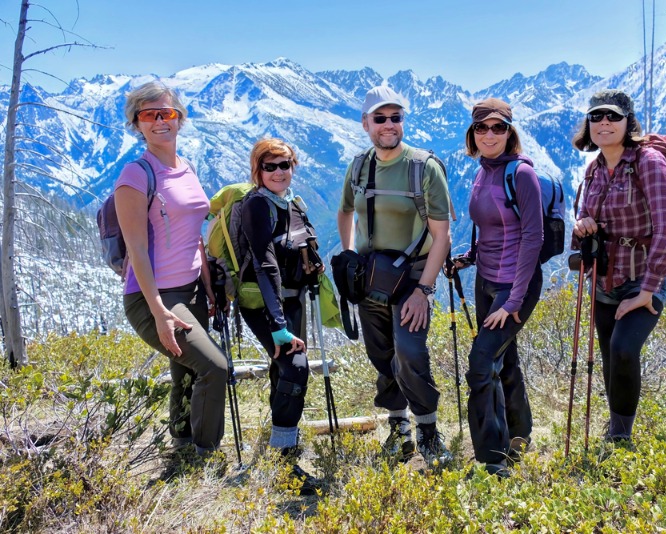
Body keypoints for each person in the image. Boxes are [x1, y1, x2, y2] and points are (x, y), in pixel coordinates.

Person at [337, 85, 453, 467]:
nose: (389, 125)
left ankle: (429, 432)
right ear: (366, 123)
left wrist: (424, 289)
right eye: (380, 118)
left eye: (396, 117)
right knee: (382, 353)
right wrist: (349, 253)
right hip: (371, 275)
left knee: (409, 349)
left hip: (412, 276)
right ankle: (399, 429)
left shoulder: (424, 168)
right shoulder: (358, 166)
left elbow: (442, 236)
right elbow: (345, 212)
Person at [116, 81, 228, 461]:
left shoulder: (187, 167)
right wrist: (160, 312)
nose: (160, 121)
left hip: (192, 288)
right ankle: (205, 456)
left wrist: (208, 285)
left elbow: (191, 232)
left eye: (167, 112)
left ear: (180, 118)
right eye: (149, 115)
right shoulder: (135, 176)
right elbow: (137, 251)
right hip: (153, 297)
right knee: (214, 368)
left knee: (187, 372)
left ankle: (181, 446)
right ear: (137, 124)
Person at [571, 89, 666, 442]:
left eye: (613, 117)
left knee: (623, 349)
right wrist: (583, 223)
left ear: (627, 122)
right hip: (605, 277)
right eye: (597, 117)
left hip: (644, 276)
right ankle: (616, 429)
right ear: (588, 125)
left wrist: (647, 290)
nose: (604, 123)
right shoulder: (594, 170)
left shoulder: (648, 162)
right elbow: (585, 214)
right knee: (608, 355)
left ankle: (621, 437)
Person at [455, 98, 543, 477]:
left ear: (510, 132)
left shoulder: (521, 174)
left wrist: (515, 300)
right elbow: (492, 229)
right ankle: (519, 436)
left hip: (515, 286)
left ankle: (494, 460)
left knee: (481, 363)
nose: (490, 134)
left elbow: (533, 238)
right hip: (486, 281)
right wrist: (469, 257)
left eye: (498, 127)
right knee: (505, 359)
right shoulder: (482, 171)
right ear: (473, 134)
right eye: (482, 128)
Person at [238, 138, 322, 494]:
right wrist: (279, 326)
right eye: (269, 166)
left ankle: (280, 448)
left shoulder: (292, 203)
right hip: (265, 303)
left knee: (283, 372)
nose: (278, 172)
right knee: (296, 367)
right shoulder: (257, 205)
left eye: (284, 165)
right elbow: (264, 263)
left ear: (293, 166)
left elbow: (300, 250)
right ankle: (284, 461)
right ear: (257, 170)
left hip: (292, 299)